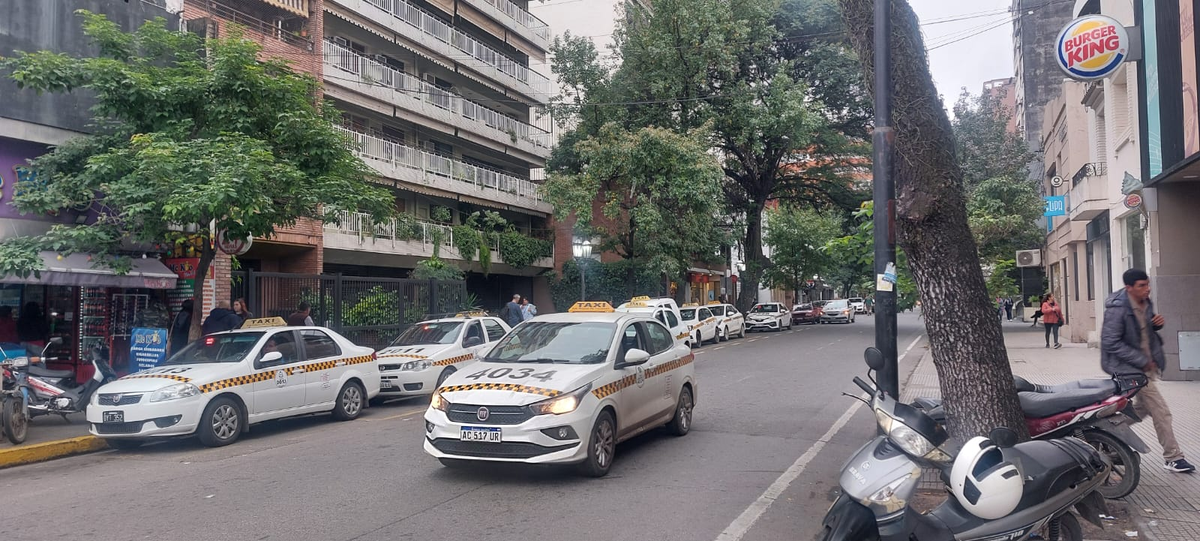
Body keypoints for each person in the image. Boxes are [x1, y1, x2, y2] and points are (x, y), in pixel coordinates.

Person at [1101, 268, 1194, 473]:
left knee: (1141, 409)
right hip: (1129, 369)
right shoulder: (1117, 309)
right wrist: (1140, 359)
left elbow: (1141, 330)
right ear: (1129, 288)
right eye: (1142, 286)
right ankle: (1173, 457)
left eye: (1148, 284)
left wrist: (1155, 325)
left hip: (1145, 367)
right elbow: (1110, 342)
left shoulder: (1145, 302)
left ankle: (1105, 430)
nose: (1147, 289)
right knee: (1161, 411)